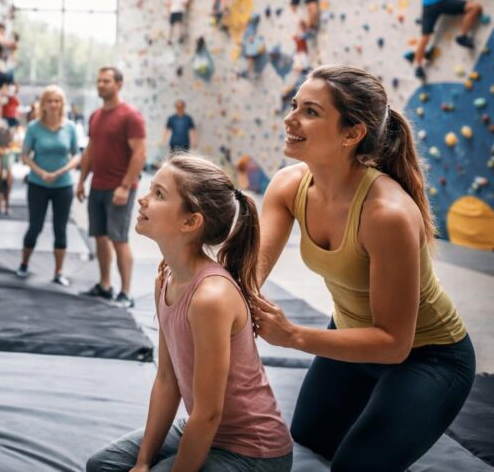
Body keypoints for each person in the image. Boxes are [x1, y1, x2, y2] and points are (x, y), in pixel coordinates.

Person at [254, 65, 475, 471]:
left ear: (352, 133)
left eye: (310, 111)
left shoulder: (385, 213)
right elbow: (252, 274)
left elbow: (394, 343)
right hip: (353, 338)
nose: (290, 118)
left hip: (428, 357)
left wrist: (294, 336)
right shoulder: (288, 186)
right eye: (293, 105)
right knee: (309, 437)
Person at [86, 154, 293, 472]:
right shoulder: (166, 277)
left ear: (190, 222)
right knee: (102, 466)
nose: (142, 199)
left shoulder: (210, 298)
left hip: (253, 450)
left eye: (158, 194)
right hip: (204, 428)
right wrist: (142, 462)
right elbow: (168, 379)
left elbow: (210, 413)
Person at [77, 67, 147, 308]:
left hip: (119, 188)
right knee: (99, 236)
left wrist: (125, 187)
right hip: (98, 185)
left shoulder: (130, 116)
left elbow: (139, 153)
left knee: (119, 239)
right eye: (98, 81)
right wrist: (81, 180)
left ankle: (126, 292)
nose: (101, 85)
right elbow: (90, 150)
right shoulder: (95, 115)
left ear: (119, 84)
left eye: (106, 81)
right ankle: (105, 285)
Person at [17, 85, 81, 285]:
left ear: (62, 104)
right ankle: (24, 264)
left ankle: (58, 272)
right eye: (50, 101)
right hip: (38, 184)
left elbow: (77, 154)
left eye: (57, 101)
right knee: (35, 226)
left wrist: (63, 170)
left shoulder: (69, 127)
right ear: (43, 104)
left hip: (63, 185)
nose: (54, 104)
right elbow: (25, 155)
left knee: (60, 229)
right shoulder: (34, 127)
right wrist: (41, 172)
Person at [0, 117, 15, 215]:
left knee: (6, 186)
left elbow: (13, 145)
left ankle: (5, 206)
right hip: (0, 163)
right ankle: (0, 206)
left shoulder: (9, 133)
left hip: (6, 163)